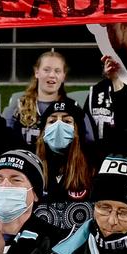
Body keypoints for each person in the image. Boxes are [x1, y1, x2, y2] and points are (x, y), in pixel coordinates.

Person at [1, 50, 93, 149]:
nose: (52, 75)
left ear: (63, 76)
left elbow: (89, 142)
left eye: (57, 71)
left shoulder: (73, 108)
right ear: (37, 72)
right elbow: (2, 138)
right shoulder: (19, 106)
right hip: (26, 162)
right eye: (46, 70)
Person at [31, 99, 101, 230]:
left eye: (67, 121)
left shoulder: (94, 162)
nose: (58, 125)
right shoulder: (31, 163)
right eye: (52, 121)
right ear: (43, 131)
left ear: (77, 130)